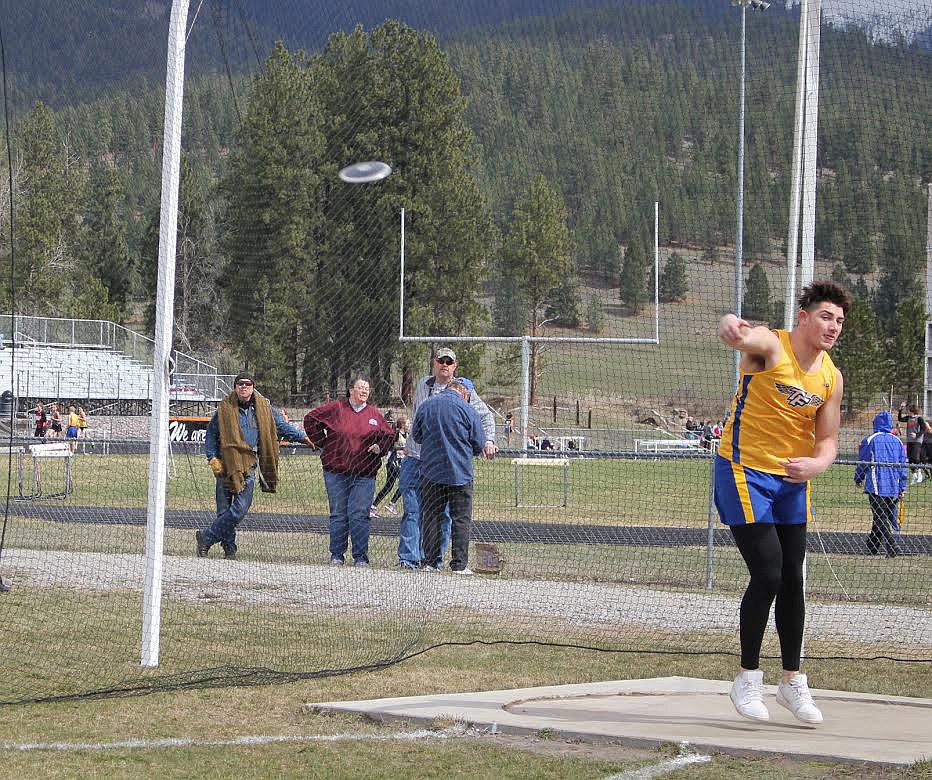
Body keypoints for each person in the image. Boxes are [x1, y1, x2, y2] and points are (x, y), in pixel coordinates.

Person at [716, 280, 849, 726]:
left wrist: (819, 464)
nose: (833, 326)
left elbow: (828, 440)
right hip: (744, 471)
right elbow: (738, 335)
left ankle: (791, 681)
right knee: (768, 572)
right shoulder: (774, 346)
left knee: (793, 577)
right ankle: (747, 677)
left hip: (793, 480)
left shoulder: (831, 377)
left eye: (840, 321)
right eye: (827, 317)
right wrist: (731, 326)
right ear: (805, 317)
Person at [397, 348, 497, 570]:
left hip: (438, 463)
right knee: (414, 511)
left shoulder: (466, 393)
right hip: (417, 458)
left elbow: (486, 417)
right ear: (434, 363)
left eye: (448, 362)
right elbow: (474, 439)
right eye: (441, 360)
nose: (444, 364)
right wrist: (474, 447)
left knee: (437, 514)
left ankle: (434, 560)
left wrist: (489, 440)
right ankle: (410, 559)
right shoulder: (423, 385)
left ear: (455, 367)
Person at [196, 372, 309, 560]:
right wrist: (212, 458)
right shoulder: (224, 409)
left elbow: (281, 426)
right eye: (240, 384)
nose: (244, 386)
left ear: (253, 387)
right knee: (224, 511)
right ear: (235, 387)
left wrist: (302, 437)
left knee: (238, 510)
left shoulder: (265, 408)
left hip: (249, 466)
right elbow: (210, 435)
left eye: (248, 384)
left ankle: (205, 537)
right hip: (226, 465)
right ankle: (229, 549)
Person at [304, 374, 395, 567]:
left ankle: (360, 557)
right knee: (338, 514)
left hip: (364, 475)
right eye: (360, 387)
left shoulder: (374, 414)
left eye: (367, 389)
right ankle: (337, 555)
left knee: (360, 514)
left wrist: (380, 447)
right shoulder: (336, 408)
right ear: (351, 390)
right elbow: (310, 419)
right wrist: (324, 443)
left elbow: (389, 435)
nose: (364, 391)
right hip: (336, 472)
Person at [412, 380, 486, 574]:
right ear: (465, 394)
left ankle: (431, 562)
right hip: (460, 473)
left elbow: (417, 436)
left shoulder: (426, 405)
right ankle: (459, 565)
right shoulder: (469, 411)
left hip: (431, 472)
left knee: (432, 516)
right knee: (461, 519)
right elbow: (479, 442)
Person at [855, 410, 908, 558]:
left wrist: (858, 477)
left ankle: (892, 546)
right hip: (893, 485)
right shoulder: (897, 441)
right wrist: (902, 485)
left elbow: (863, 461)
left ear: (876, 423)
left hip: (876, 485)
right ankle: (872, 547)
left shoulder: (870, 439)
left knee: (880, 516)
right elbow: (903, 465)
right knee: (881, 515)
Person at [371, 415, 409, 517]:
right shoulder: (396, 434)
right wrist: (401, 449)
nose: (409, 425)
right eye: (407, 423)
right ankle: (389, 504)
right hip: (393, 462)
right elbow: (390, 446)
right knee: (400, 483)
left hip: (402, 463)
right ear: (402, 425)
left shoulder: (407, 434)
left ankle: (377, 506)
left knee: (393, 485)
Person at [897, 402, 929, 485]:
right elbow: (900, 419)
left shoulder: (919, 419)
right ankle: (914, 476)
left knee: (915, 457)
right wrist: (901, 408)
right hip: (909, 440)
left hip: (917, 441)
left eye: (908, 410)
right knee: (910, 459)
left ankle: (920, 474)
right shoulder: (908, 418)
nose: (907, 411)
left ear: (912, 410)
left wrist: (916, 435)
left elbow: (924, 429)